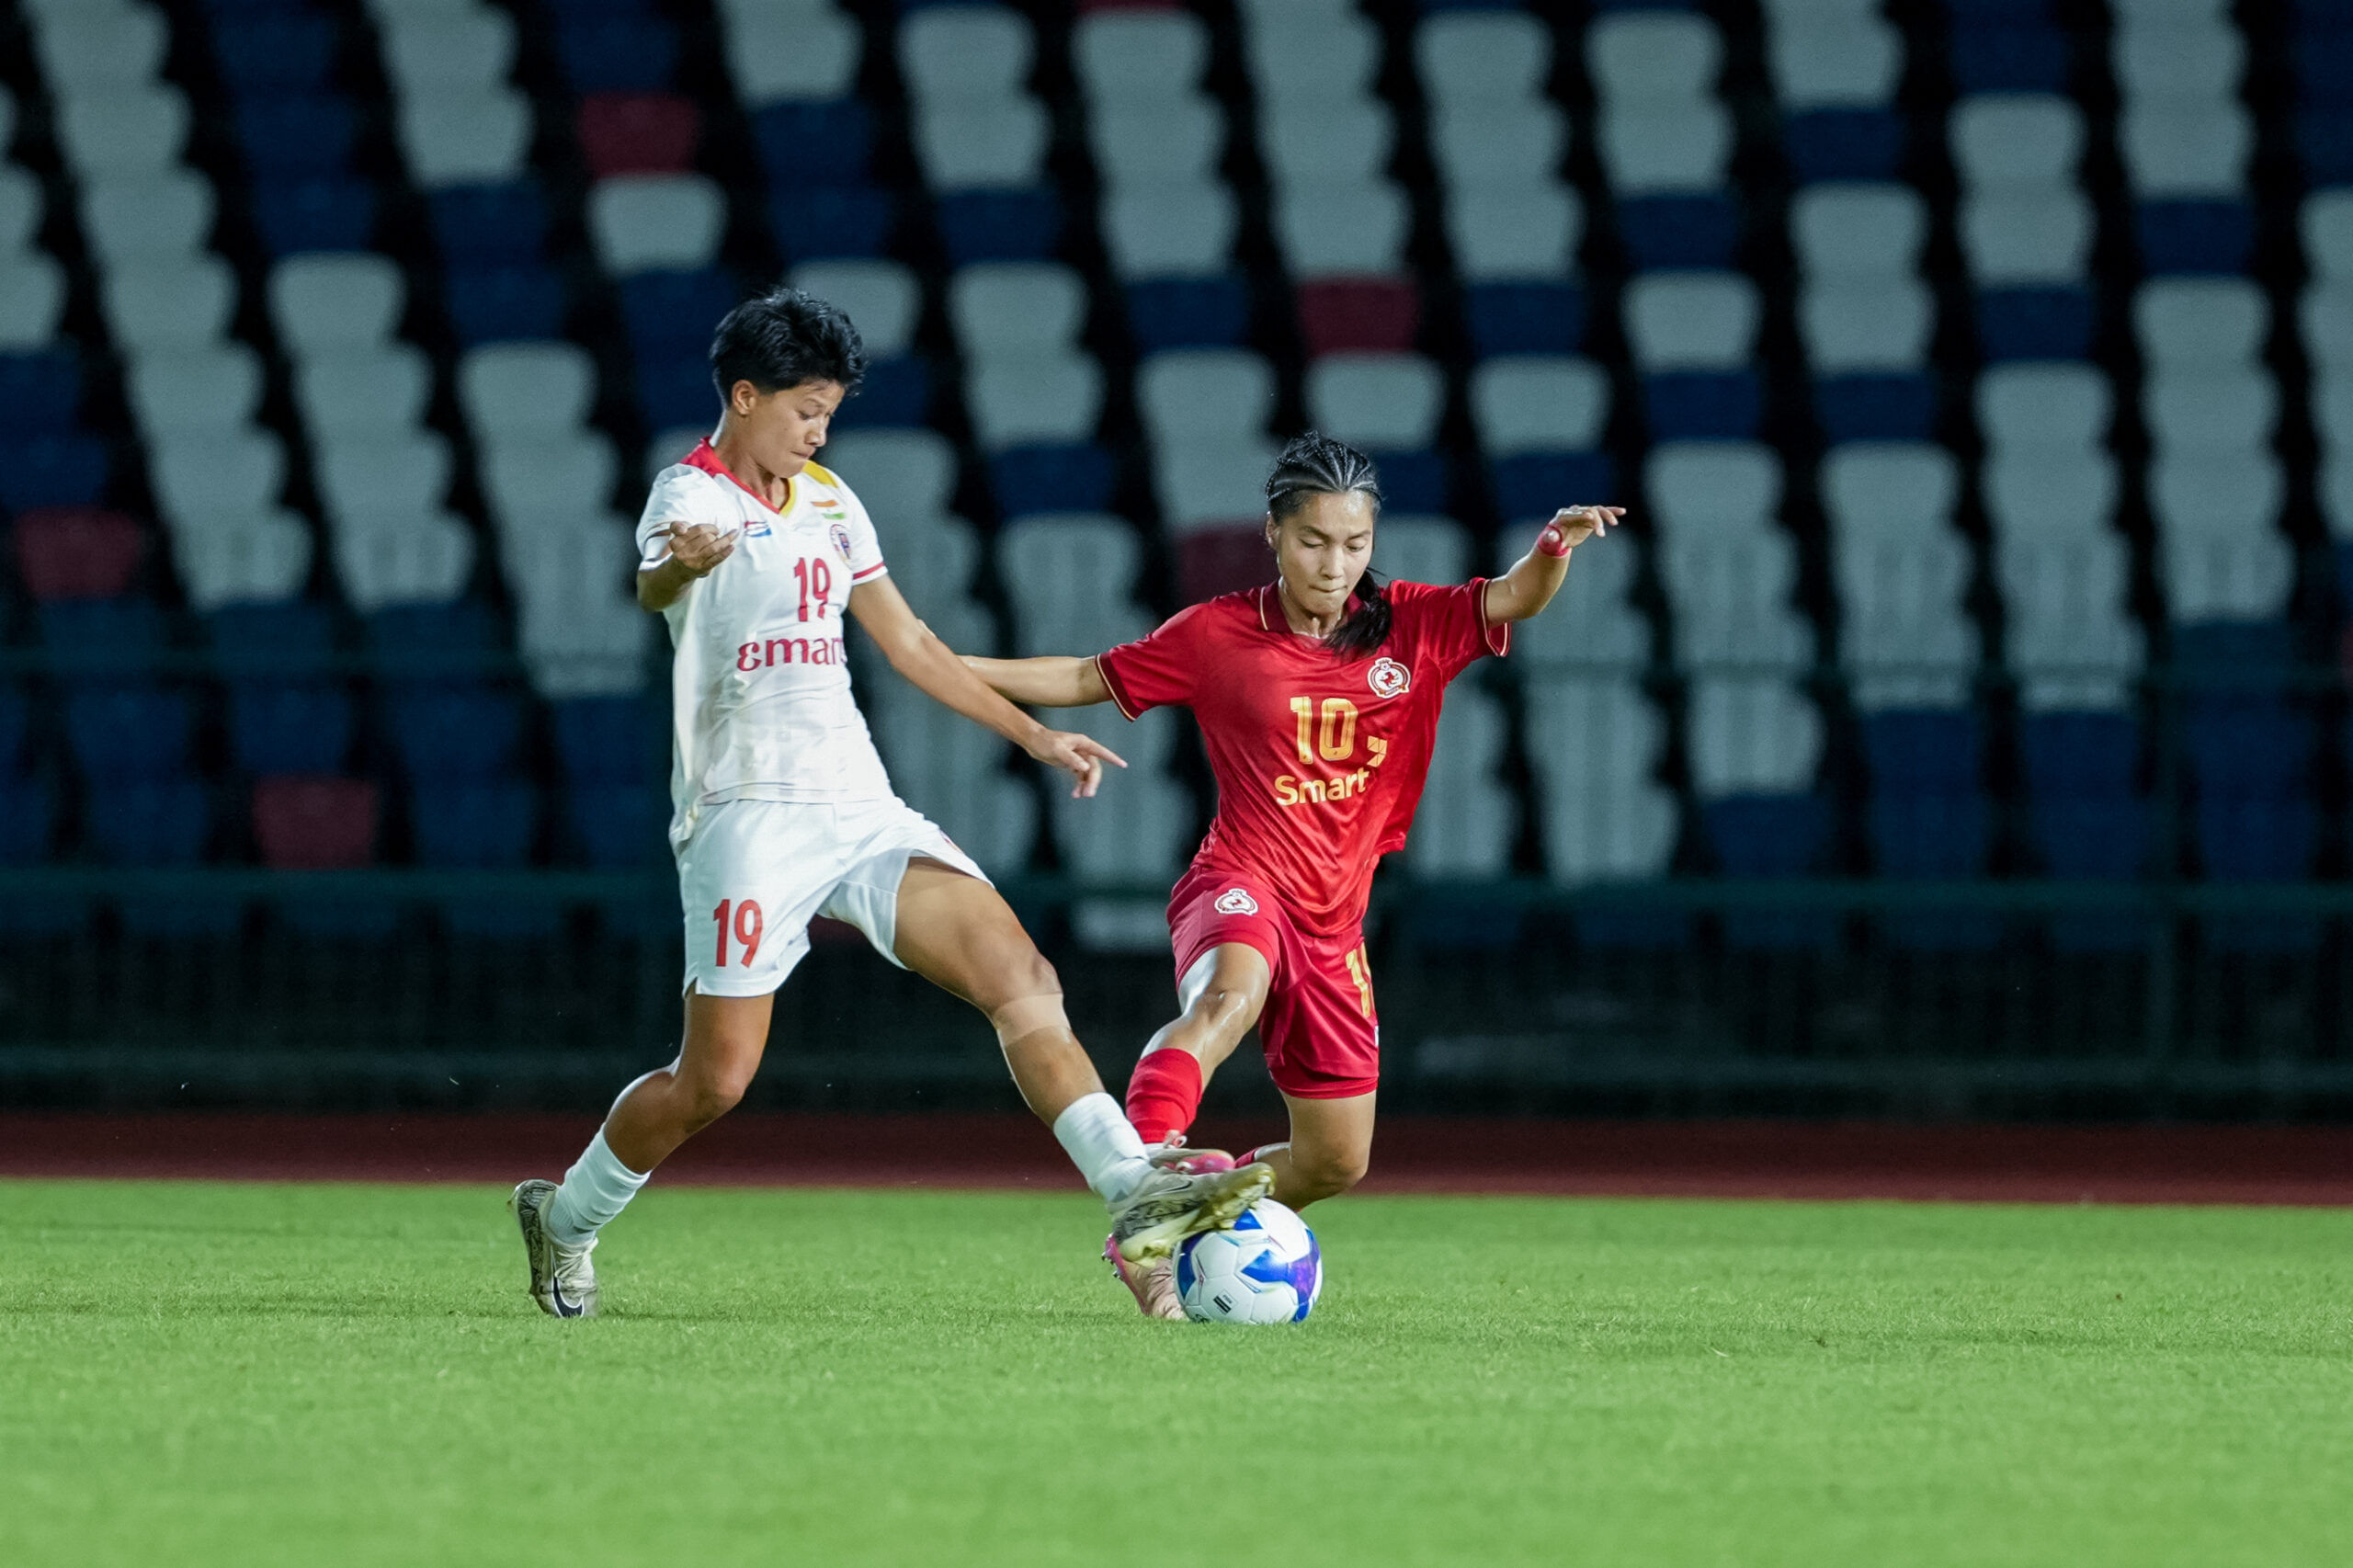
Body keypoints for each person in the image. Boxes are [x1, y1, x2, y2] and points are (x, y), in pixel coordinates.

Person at [509, 287, 1271, 1318]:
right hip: (746, 817)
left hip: (858, 806)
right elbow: (655, 575)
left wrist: (1034, 732)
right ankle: (566, 1217)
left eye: (827, 411)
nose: (819, 430)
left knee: (1020, 975)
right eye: (805, 409)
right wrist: (673, 568)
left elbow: (909, 643)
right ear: (745, 395)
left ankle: (1130, 1186)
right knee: (715, 1081)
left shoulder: (828, 498)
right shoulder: (688, 497)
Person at [965, 433, 1619, 1317]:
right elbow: (1085, 676)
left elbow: (1515, 599)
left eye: (1355, 545)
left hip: (1336, 922)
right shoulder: (1217, 634)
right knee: (1227, 998)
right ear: (1273, 534)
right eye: (1314, 541)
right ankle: (1141, 1188)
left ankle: (1189, 1222)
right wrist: (937, 662)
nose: (1335, 563)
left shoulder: (1416, 625)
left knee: (1336, 1160)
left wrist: (1552, 547)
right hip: (1240, 878)